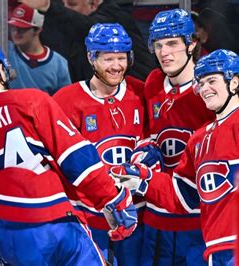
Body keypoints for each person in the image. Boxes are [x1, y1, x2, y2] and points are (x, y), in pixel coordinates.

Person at [0, 35, 137, 265]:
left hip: (3, 237)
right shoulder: (30, 101)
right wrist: (113, 199)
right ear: (1, 69)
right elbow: (77, 159)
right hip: (56, 226)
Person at [111, 49, 239, 265]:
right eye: (201, 83)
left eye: (212, 81)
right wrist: (142, 180)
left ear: (234, 83)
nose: (204, 89)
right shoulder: (198, 139)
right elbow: (182, 197)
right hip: (216, 248)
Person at [53, 23, 145, 265]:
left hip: (135, 214)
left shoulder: (140, 94)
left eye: (121, 58)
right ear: (91, 58)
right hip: (88, 217)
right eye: (108, 59)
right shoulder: (65, 101)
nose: (116, 66)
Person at [137, 9, 215, 266]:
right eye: (158, 45)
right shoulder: (153, 82)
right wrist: (147, 147)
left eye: (172, 43)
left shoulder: (211, 87)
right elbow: (150, 133)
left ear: (191, 44)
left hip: (197, 217)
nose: (164, 52)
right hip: (158, 214)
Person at [19, 0, 156, 82]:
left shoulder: (114, 17)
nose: (66, 7)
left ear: (93, 3)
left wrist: (49, 7)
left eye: (72, 4)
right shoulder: (75, 28)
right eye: (63, 3)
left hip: (141, 95)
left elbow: (90, 27)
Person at [7, 3, 71, 95]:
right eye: (13, 27)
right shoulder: (5, 51)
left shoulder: (59, 63)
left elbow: (64, 99)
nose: (15, 32)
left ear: (37, 30)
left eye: (22, 29)